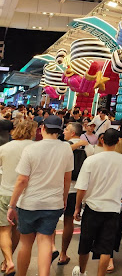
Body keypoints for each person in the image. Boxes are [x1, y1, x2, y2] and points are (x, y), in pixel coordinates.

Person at [7, 115, 73, 276]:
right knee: (45, 242)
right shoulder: (66, 149)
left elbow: (22, 180)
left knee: (26, 244)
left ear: (42, 128)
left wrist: (12, 205)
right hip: (53, 203)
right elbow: (67, 178)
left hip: (29, 203)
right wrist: (64, 198)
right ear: (60, 131)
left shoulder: (31, 149)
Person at [71, 129, 122, 276]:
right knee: (106, 247)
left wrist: (77, 207)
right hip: (112, 210)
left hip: (92, 209)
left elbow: (81, 188)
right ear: (118, 141)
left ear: (102, 140)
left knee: (85, 244)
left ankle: (82, 272)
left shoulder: (91, 160)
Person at [0, 120, 36, 275]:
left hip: (5, 192)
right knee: (17, 230)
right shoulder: (35, 148)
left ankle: (8, 261)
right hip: (26, 196)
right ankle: (7, 261)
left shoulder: (4, 148)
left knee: (4, 230)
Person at [58, 122, 89, 266]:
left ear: (73, 133)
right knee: (69, 221)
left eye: (66, 129)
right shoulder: (88, 147)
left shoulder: (63, 146)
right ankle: (63, 253)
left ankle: (50, 248)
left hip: (61, 188)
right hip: (78, 189)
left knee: (51, 220)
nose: (64, 131)